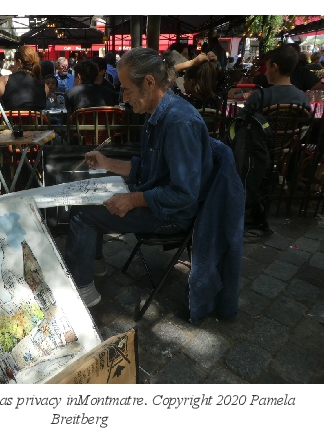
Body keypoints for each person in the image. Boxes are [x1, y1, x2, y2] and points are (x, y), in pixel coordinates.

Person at [63, 47, 223, 310]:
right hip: (160, 199)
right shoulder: (157, 113)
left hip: (174, 215)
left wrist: (132, 200)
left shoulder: (178, 123)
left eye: (127, 90)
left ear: (149, 82)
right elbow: (148, 169)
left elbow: (184, 193)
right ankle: (94, 264)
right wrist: (107, 163)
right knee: (87, 196)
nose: (124, 98)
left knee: (82, 213)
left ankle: (82, 289)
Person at [242, 45, 312, 115]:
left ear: (274, 67)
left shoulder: (259, 96)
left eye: (267, 68)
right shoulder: (303, 98)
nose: (265, 73)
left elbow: (241, 119)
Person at [0, 45, 46, 110]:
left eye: (14, 62)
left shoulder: (4, 82)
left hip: (10, 117)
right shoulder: (45, 87)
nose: (13, 66)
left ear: (19, 63)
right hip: (36, 117)